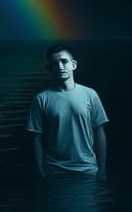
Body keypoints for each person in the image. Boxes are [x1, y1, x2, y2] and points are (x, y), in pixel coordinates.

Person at [26, 44, 108, 181]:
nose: (60, 66)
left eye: (64, 61)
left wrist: (102, 169)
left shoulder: (90, 94)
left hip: (87, 170)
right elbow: (35, 139)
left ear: (73, 64)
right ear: (50, 69)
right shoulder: (41, 99)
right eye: (54, 64)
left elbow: (99, 132)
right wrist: (40, 172)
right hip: (54, 171)